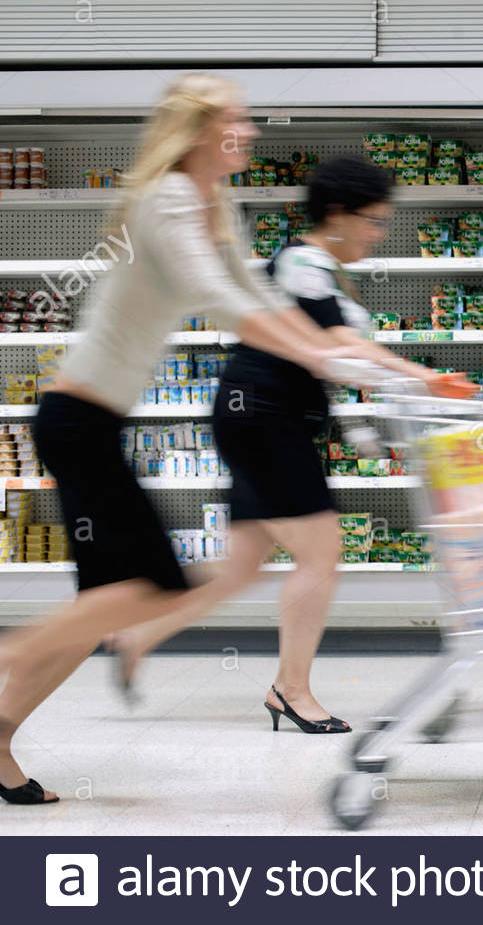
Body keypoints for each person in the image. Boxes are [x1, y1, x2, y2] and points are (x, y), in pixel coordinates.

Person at [0, 74, 373, 805]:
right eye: (238, 119)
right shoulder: (168, 199)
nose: (251, 131)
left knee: (105, 609)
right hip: (75, 421)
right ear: (201, 130)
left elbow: (257, 295)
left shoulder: (214, 203)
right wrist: (324, 356)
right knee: (145, 588)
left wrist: (334, 352)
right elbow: (218, 298)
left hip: (97, 423)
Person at [109, 154, 473, 734]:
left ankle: (137, 631)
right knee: (322, 554)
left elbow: (336, 358)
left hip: (262, 417)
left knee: (239, 567)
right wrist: (424, 376)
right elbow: (341, 344)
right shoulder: (302, 261)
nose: (379, 233)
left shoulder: (322, 269)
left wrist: (380, 406)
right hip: (264, 417)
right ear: (338, 212)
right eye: (374, 220)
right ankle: (290, 690)